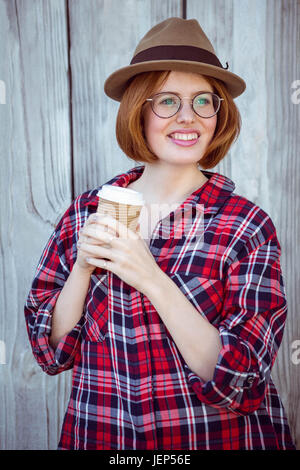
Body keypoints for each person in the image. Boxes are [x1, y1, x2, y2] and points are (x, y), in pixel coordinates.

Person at [24, 17, 296, 450]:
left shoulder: (245, 226)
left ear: (218, 112)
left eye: (203, 100)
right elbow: (49, 353)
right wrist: (81, 268)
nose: (188, 117)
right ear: (138, 110)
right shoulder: (86, 213)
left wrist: (149, 276)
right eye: (166, 101)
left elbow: (240, 382)